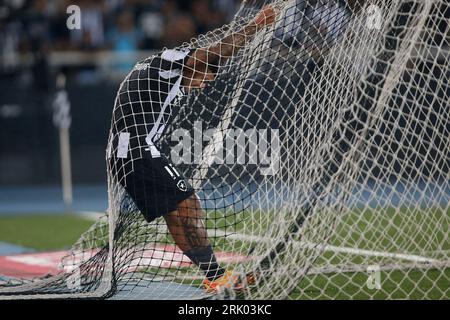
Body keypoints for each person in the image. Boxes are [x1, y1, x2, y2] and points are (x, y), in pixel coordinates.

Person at [108, 5, 278, 293]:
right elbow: (217, 51)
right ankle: (215, 275)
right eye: (207, 75)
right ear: (198, 66)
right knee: (188, 204)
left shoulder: (159, 72)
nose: (204, 83)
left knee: (176, 211)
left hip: (124, 152)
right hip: (135, 148)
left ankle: (213, 276)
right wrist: (257, 25)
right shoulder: (171, 61)